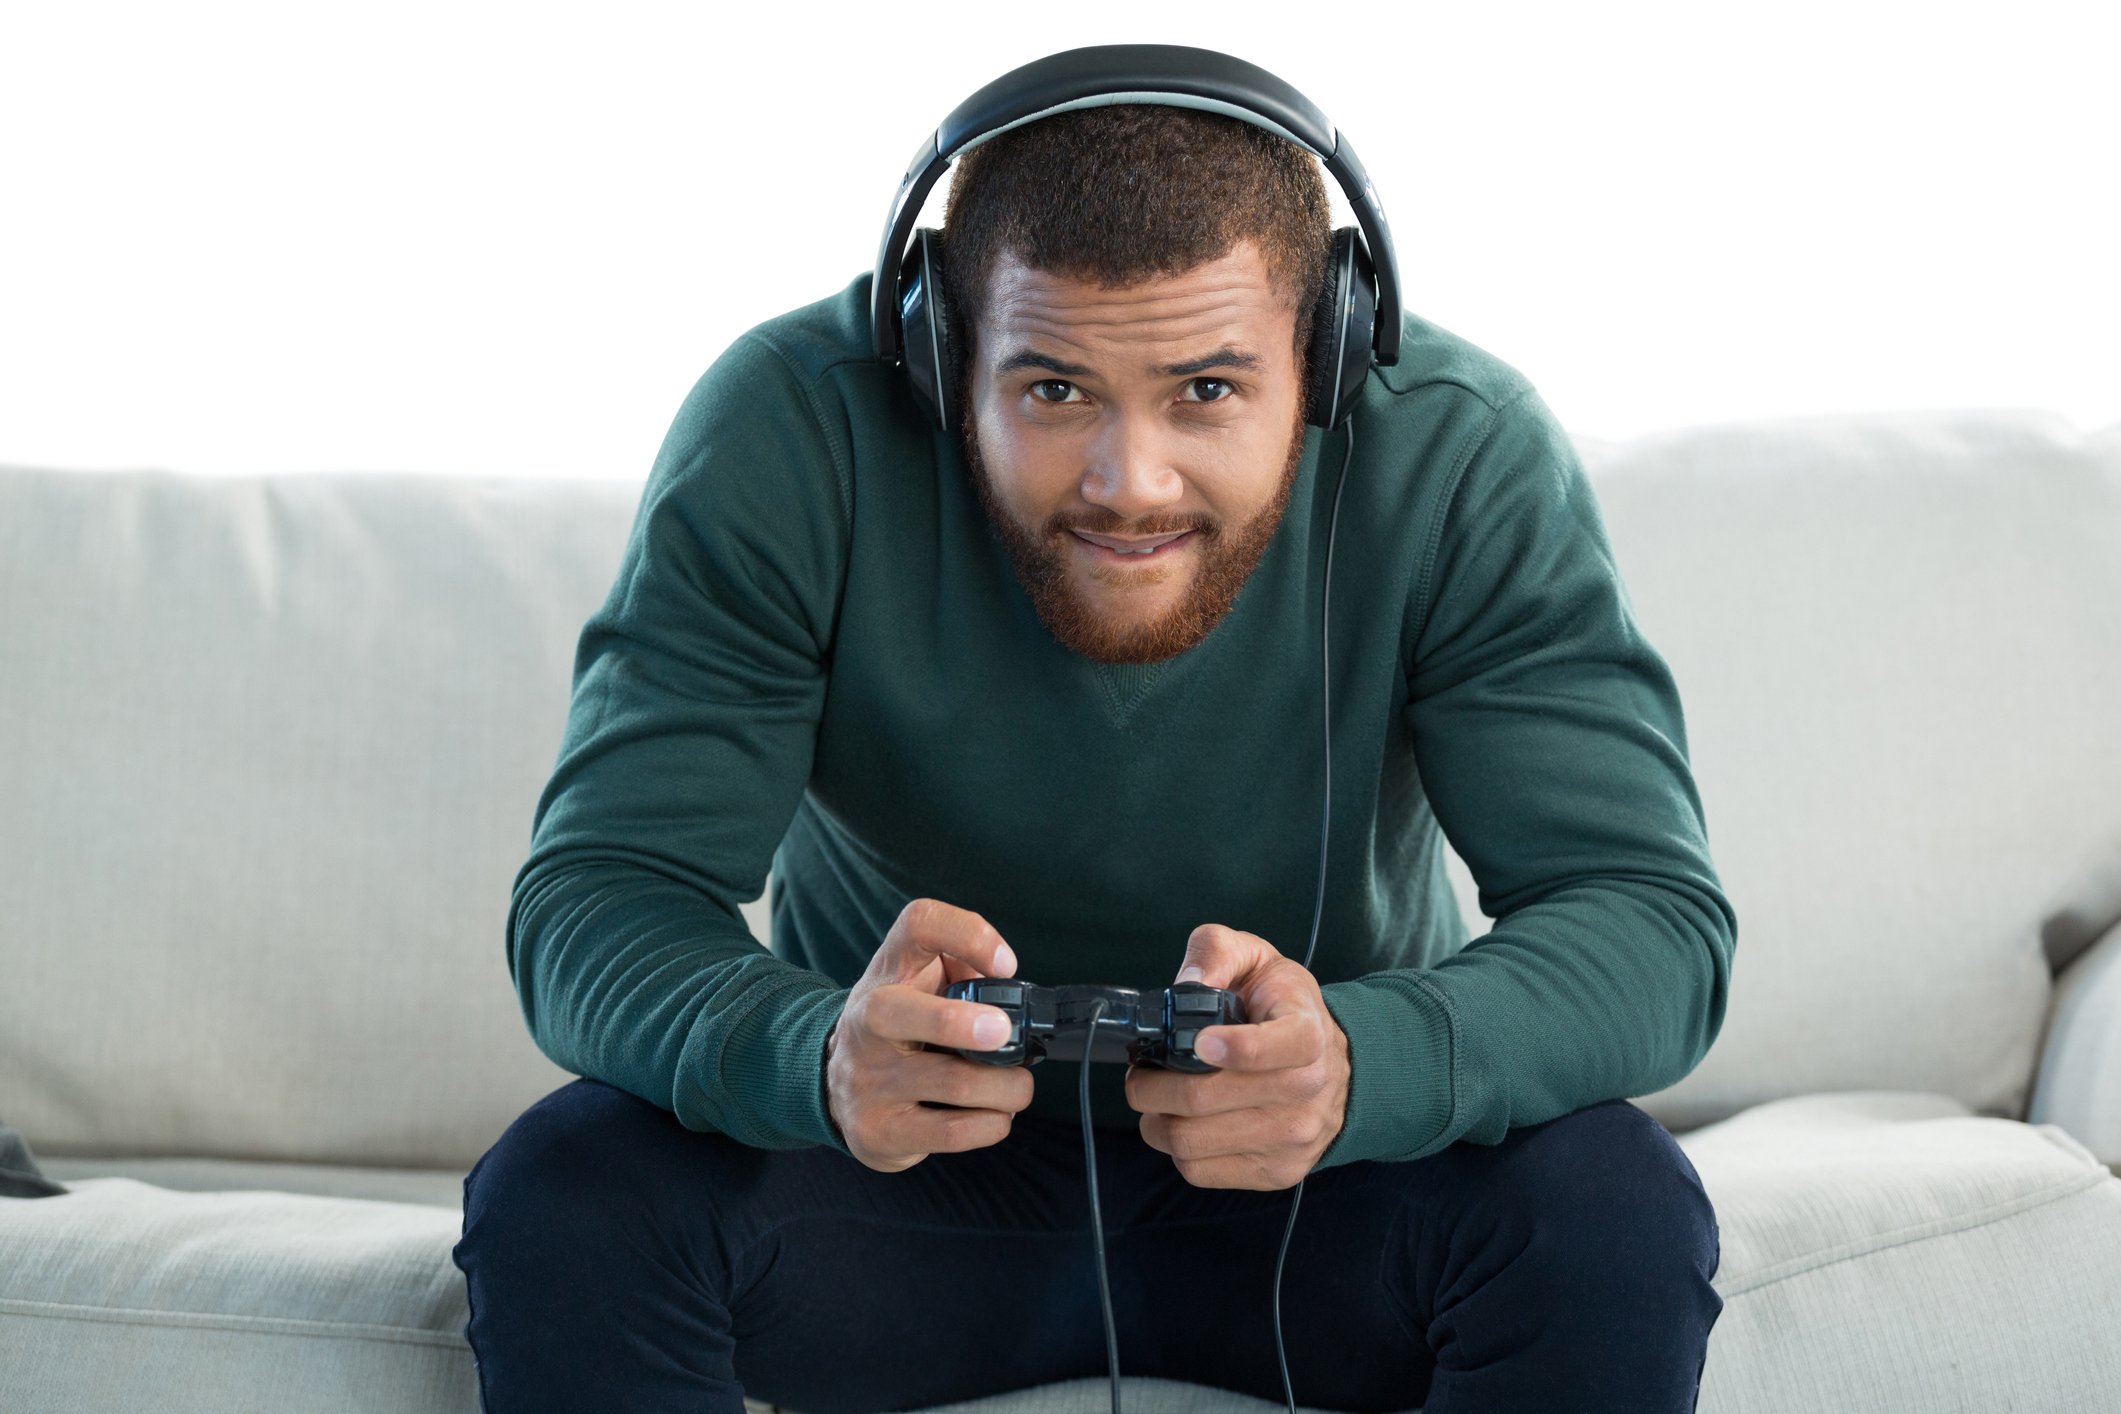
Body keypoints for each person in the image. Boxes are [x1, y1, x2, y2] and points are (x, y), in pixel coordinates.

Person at [453, 91, 1733, 1414]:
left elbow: (1650, 923)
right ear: (939, 353)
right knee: (569, 1189)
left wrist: (1361, 1061)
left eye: (1208, 390)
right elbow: (593, 899)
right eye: (1053, 387)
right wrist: (813, 1053)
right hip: (886, 1188)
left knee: (1604, 1203)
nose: (1131, 479)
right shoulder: (788, 427)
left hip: (1327, 1187)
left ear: (1330, 359)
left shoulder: (1462, 451)